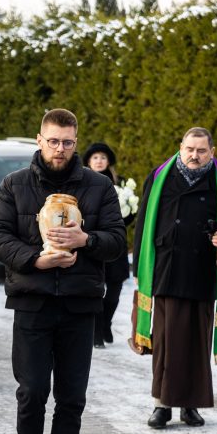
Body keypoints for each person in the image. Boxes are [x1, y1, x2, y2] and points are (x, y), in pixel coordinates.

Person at [0, 108, 126, 434]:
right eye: (52, 141)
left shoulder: (98, 187)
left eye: (66, 142)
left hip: (81, 305)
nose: (59, 149)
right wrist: (35, 259)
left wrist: (86, 239)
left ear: (76, 142)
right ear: (39, 140)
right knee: (31, 391)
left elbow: (116, 241)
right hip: (33, 302)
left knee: (72, 397)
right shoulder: (15, 184)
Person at [131, 128, 217, 429]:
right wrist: (140, 264)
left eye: (201, 150)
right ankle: (161, 405)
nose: (194, 155)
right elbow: (143, 221)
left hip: (202, 269)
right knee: (164, 340)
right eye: (189, 149)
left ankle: (191, 405)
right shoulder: (160, 176)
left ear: (212, 153)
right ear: (181, 148)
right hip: (166, 267)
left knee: (196, 341)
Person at [82, 142, 133, 348]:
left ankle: (106, 323)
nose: (99, 161)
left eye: (103, 157)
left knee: (114, 290)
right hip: (92, 243)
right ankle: (95, 331)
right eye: (95, 157)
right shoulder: (84, 183)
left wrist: (127, 215)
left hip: (114, 243)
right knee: (95, 290)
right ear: (88, 161)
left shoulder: (121, 184)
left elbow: (130, 213)